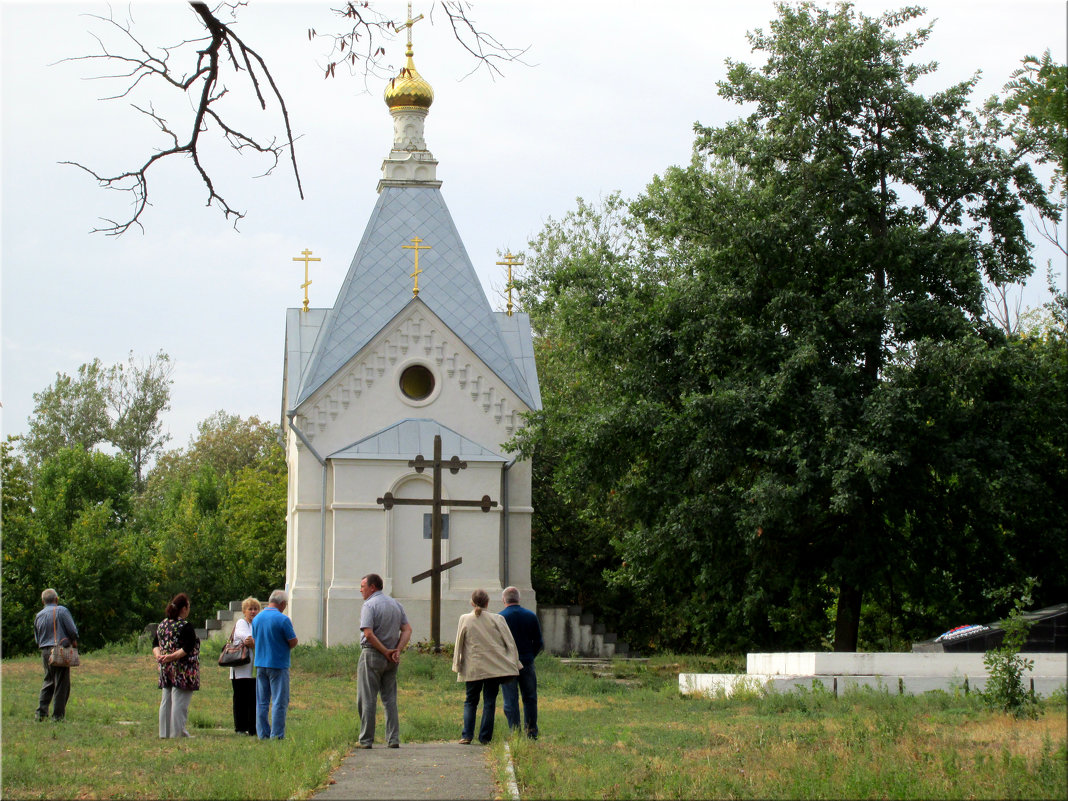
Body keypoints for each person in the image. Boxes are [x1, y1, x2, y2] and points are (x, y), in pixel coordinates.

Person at [452, 588, 520, 745]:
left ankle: (467, 735)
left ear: (471, 602)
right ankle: (485, 737)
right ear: (488, 603)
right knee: (489, 702)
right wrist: (514, 662)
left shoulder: (465, 619)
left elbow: (458, 644)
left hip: (472, 668)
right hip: (493, 668)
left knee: (470, 701)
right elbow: (510, 643)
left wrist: (457, 665)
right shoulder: (497, 619)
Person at [357, 573, 412, 749]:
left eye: (363, 587)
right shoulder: (396, 604)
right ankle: (393, 738)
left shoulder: (369, 605)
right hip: (391, 659)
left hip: (372, 654)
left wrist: (385, 651)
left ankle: (366, 739)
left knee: (367, 697)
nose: (361, 590)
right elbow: (407, 629)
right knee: (390, 698)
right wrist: (397, 650)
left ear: (373, 587)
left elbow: (368, 633)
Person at [251, 589, 298, 739]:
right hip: (278, 664)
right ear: (282, 604)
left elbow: (255, 638)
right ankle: (277, 735)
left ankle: (262, 733)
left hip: (260, 663)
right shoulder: (283, 619)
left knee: (262, 701)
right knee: (279, 701)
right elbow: (293, 641)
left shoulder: (257, 618)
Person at [153, 593, 200, 738]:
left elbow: (155, 644)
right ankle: (177, 733)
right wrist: (171, 657)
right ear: (184, 608)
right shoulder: (185, 626)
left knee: (166, 700)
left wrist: (160, 656)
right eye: (189, 606)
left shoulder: (163, 624)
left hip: (166, 669)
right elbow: (187, 648)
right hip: (183, 670)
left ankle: (164, 733)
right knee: (179, 702)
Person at [499, 586, 544, 739]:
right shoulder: (530, 616)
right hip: (526, 661)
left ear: (504, 600)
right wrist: (530, 656)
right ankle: (531, 731)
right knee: (530, 698)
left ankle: (515, 732)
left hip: (507, 664)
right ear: (519, 599)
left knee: (510, 700)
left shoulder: (500, 618)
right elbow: (538, 642)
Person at [33, 588, 79, 722]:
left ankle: (41, 713)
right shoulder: (61, 611)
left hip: (45, 651)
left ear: (43, 601)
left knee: (48, 680)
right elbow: (72, 630)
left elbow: (37, 637)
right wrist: (73, 640)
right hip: (59, 650)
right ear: (56, 599)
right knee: (62, 683)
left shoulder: (39, 615)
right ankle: (58, 716)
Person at [230, 596, 261, 736]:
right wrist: (260, 642)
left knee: (253, 698)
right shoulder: (242, 623)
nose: (253, 612)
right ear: (244, 611)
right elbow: (248, 640)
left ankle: (252, 726)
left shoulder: (257, 624)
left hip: (253, 669)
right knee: (240, 698)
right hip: (240, 668)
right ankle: (240, 727)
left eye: (255, 609)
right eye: (250, 609)